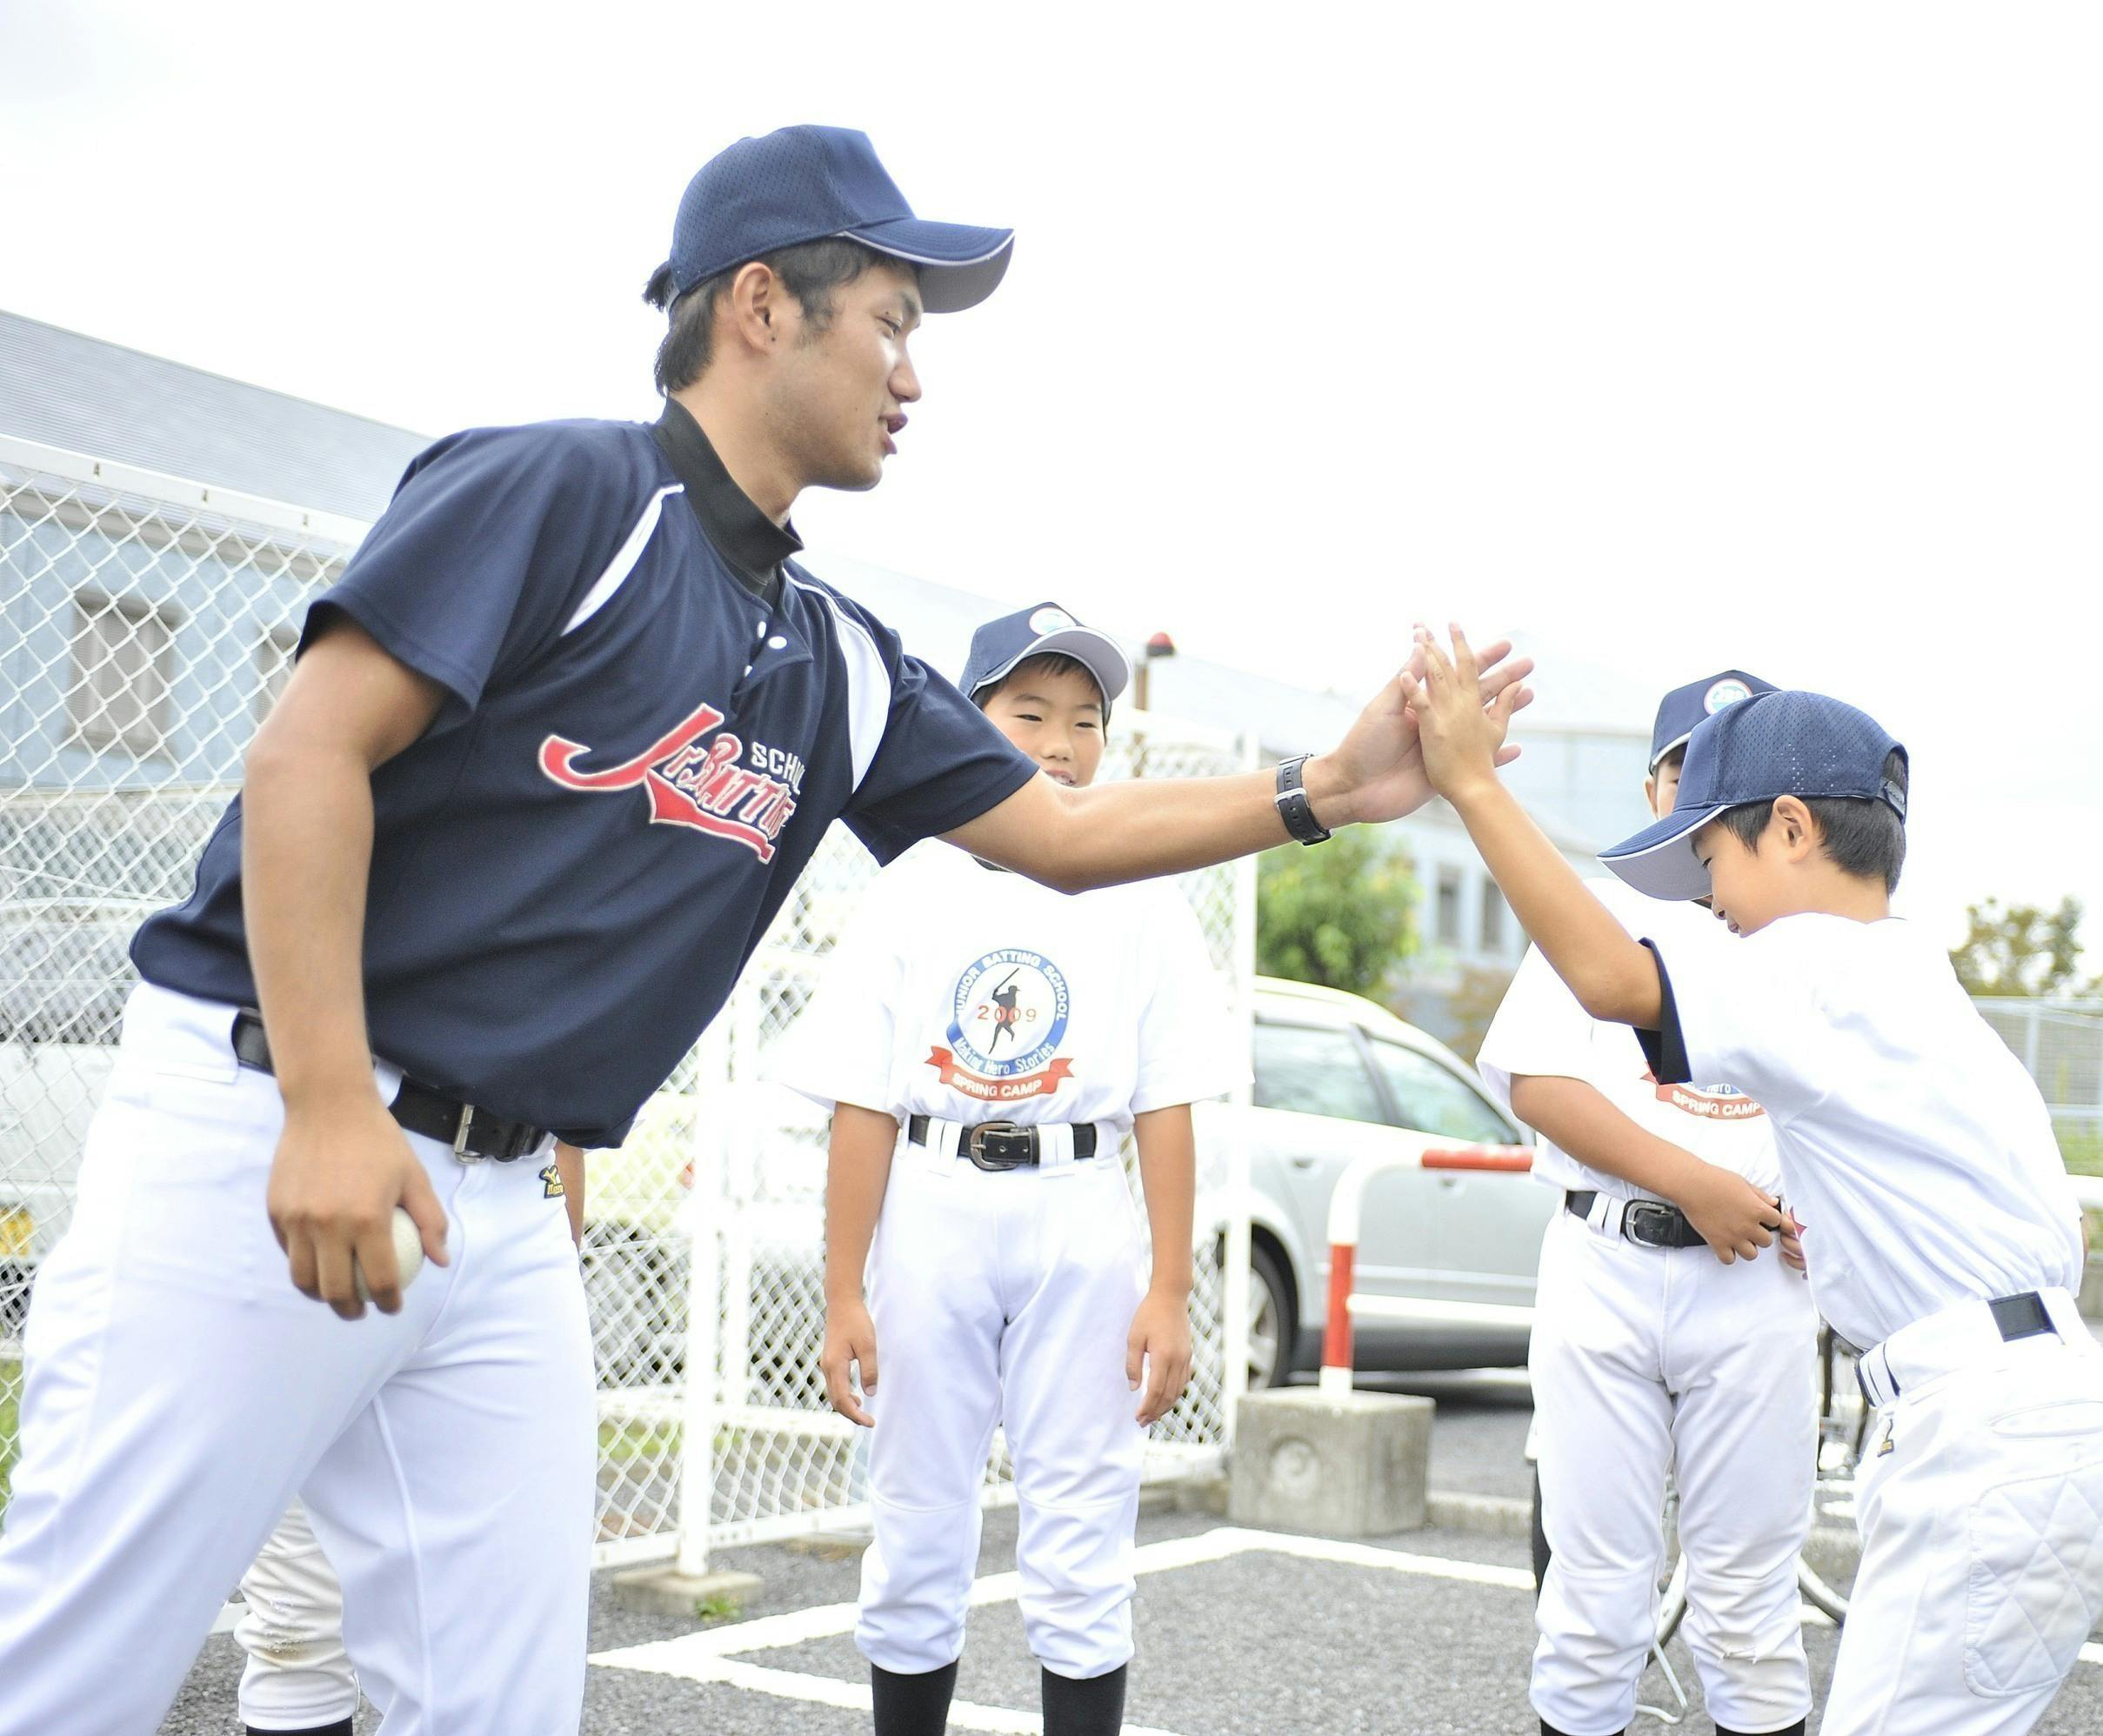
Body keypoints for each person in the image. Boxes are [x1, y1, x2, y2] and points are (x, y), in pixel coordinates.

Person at [0, 124, 1529, 1736]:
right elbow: (308, 752)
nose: (914, 375)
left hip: (502, 1204)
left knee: (499, 1705)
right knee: (74, 1664)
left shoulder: (835, 655)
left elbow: (1065, 834)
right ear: (758, 306)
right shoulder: (564, 492)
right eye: (891, 319)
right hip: (273, 1118)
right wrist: (321, 1095)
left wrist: (1327, 790)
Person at [1407, 628, 2103, 1736]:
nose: (1710, 899)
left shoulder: (1813, 964)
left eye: (1713, 862)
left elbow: (1611, 979)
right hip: (2041, 1418)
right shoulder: (1914, 976)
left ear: (1792, 829)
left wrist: (1468, 782)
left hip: (1981, 1442)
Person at [777, 603, 1244, 1736]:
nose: (1060, 741)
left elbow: (1166, 1099)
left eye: (1085, 721)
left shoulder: (1140, 886)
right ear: (969, 721)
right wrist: (844, 1290)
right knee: (918, 1510)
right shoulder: (911, 884)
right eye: (1028, 712)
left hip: (1080, 1206)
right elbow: (864, 1103)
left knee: (1085, 1515)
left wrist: (1171, 1289)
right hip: (934, 1204)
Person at [1477, 669, 1817, 1736]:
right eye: (1687, 768)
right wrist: (1694, 1183)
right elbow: (1536, 1081)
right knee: (1592, 1601)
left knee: (1752, 1606)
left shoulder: (1806, 927)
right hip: (1607, 1261)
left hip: (1754, 1280)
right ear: (1654, 785)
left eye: (1733, 768)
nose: (1705, 789)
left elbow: (1847, 1108)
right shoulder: (1604, 907)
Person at [230, 1143, 588, 1736]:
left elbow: (568, 1130)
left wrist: (551, 1269)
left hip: (505, 1201)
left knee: (488, 1646)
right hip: (302, 1196)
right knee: (295, 1620)